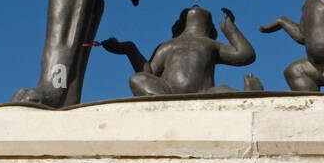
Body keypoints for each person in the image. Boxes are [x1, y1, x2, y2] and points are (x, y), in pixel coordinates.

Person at [101, 6, 262, 96]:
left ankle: (249, 96)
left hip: (203, 93)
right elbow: (149, 74)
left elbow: (246, 56)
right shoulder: (168, 45)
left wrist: (231, 30)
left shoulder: (210, 45)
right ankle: (161, 101)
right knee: (138, 79)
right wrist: (129, 49)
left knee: (224, 90)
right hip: (167, 92)